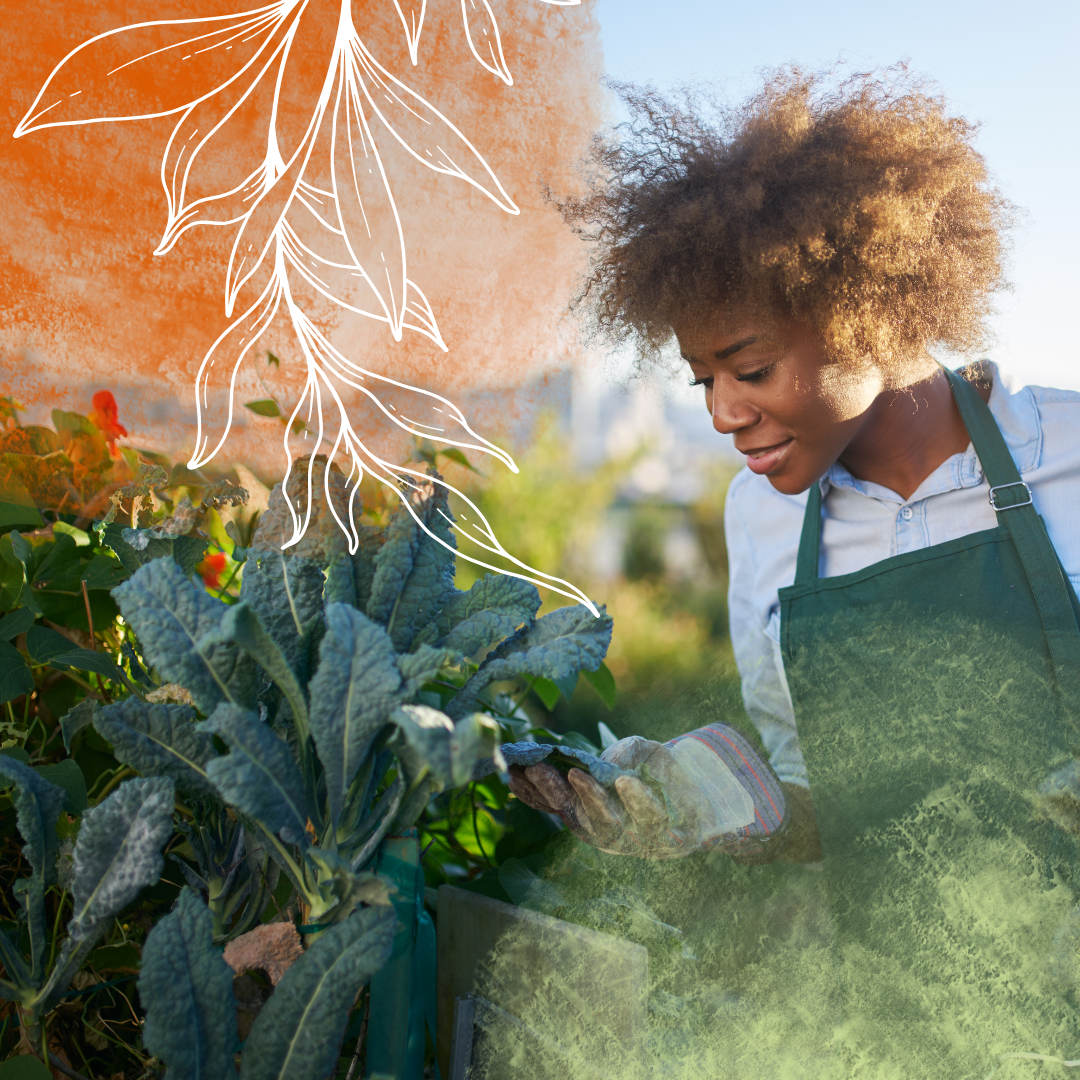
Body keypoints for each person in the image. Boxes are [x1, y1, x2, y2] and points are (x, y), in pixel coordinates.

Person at [507, 69, 1080, 1078]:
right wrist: (705, 800)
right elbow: (823, 796)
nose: (723, 412)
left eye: (751, 368)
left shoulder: (1069, 459)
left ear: (869, 309)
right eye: (704, 380)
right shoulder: (762, 519)